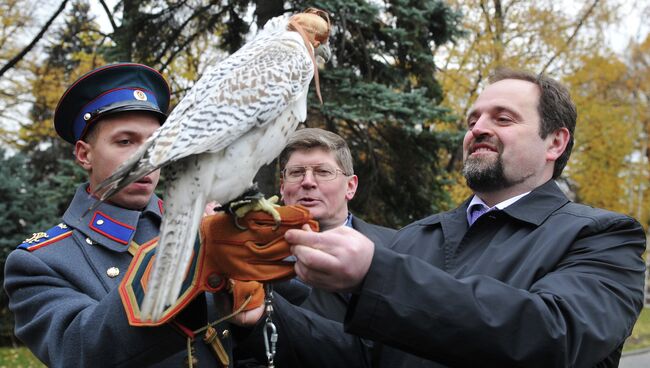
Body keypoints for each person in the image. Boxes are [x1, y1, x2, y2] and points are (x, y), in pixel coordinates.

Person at [279, 68, 647, 367]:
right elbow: (359, 356)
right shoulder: (415, 237)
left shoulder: (603, 237)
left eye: (503, 118)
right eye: (473, 119)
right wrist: (259, 311)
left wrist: (379, 274)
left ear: (555, 142)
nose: (478, 128)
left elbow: (552, 337)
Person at [4, 63, 233, 367]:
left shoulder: (204, 226)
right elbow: (78, 351)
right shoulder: (40, 261)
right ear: (84, 154)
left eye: (155, 143)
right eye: (125, 142)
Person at [231, 128, 396, 366]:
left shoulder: (397, 248)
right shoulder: (249, 254)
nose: (308, 182)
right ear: (282, 186)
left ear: (351, 186)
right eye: (297, 172)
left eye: (323, 172)